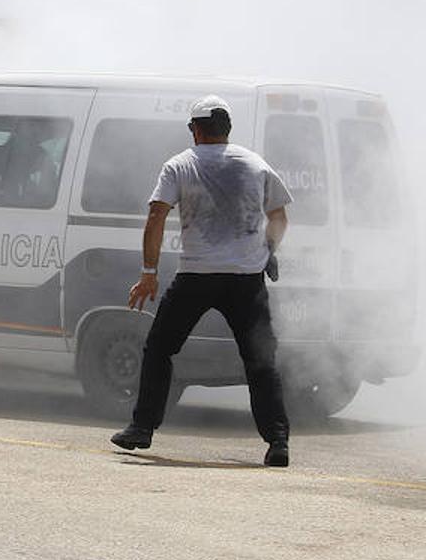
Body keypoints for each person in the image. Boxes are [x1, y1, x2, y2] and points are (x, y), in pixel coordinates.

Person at [110, 95, 294, 467]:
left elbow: (156, 217)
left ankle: (141, 428)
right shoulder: (255, 164)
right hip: (246, 280)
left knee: (160, 349)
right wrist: (269, 251)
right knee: (261, 360)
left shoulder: (179, 165)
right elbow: (279, 216)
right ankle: (277, 443)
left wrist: (148, 274)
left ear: (196, 129)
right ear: (227, 129)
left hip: (196, 276)